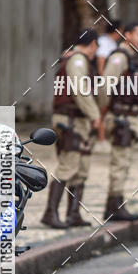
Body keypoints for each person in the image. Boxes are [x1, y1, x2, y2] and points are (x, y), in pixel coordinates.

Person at [41, 28, 101, 229]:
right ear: (92, 44)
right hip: (70, 121)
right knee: (68, 165)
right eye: (96, 47)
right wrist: (95, 115)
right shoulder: (77, 60)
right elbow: (80, 91)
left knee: (81, 167)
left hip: (78, 120)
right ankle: (50, 213)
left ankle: (73, 214)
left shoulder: (75, 59)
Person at [100, 22, 138, 221]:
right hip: (120, 118)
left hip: (129, 117)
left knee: (124, 162)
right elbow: (105, 86)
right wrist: (103, 113)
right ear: (127, 35)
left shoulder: (131, 58)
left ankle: (113, 205)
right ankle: (115, 207)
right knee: (120, 163)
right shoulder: (120, 57)